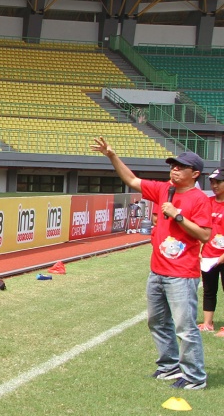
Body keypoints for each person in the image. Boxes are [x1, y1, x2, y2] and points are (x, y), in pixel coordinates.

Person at [91, 138, 210, 390]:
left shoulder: (199, 199)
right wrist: (112, 156)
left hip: (182, 274)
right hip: (157, 271)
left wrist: (177, 216)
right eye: (173, 165)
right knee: (157, 321)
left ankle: (195, 377)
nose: (174, 169)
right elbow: (133, 181)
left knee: (185, 327)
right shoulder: (163, 189)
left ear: (195, 173)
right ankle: (169, 366)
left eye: (181, 167)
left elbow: (204, 235)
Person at [199, 169, 224, 333]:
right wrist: (200, 250)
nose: (214, 185)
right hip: (208, 255)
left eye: (218, 182)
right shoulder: (207, 202)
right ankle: (208, 323)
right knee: (209, 290)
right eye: (212, 182)